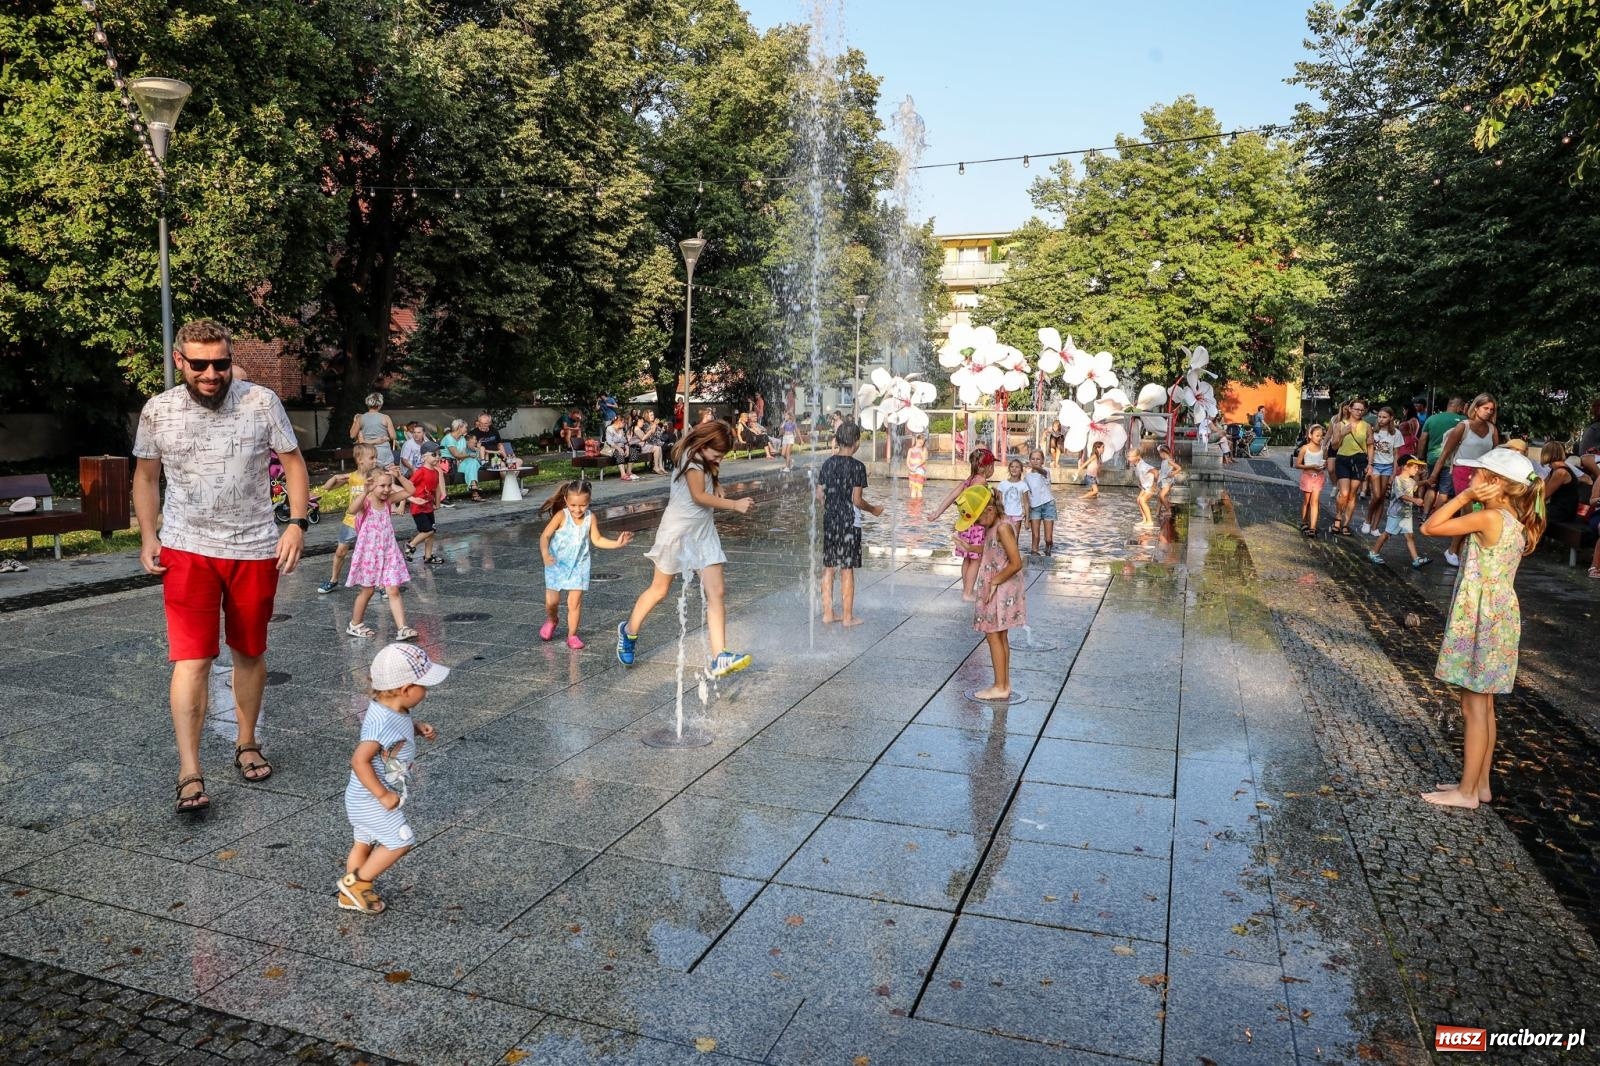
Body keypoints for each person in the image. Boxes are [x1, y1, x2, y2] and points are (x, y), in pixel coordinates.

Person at [132, 318, 308, 814]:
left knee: (250, 650)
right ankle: (189, 769)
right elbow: (145, 478)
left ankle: (246, 741)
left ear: (231, 359)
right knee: (192, 659)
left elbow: (293, 464)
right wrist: (149, 535)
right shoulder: (158, 411)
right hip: (186, 549)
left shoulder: (261, 402)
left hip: (253, 547)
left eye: (221, 363)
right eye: (200, 364)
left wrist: (296, 523)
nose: (211, 373)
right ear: (179, 361)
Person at [1420, 447, 1545, 809]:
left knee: (1473, 709)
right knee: (1484, 707)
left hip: (1483, 620)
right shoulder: (1509, 518)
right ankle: (1479, 784)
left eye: (1476, 475)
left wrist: (1464, 496)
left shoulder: (1490, 517)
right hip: (1498, 618)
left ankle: (1467, 793)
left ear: (1494, 483)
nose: (1469, 479)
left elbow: (1431, 526)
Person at [616, 420, 753, 679]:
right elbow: (698, 496)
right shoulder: (691, 460)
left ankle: (719, 656)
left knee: (717, 592)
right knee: (659, 590)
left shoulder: (705, 460)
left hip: (702, 534)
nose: (720, 459)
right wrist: (733, 505)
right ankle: (628, 631)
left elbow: (707, 487)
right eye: (717, 454)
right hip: (677, 533)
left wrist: (717, 482)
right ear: (704, 444)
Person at [338, 642, 448, 914]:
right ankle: (358, 883)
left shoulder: (393, 709)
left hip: (360, 796)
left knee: (363, 843)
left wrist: (416, 728)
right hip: (370, 798)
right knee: (401, 840)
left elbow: (396, 730)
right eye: (424, 686)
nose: (427, 692)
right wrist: (383, 795)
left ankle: (350, 894)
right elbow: (359, 759)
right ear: (405, 689)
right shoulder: (381, 722)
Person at [539, 479, 634, 648]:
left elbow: (597, 539)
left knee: (574, 603)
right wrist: (545, 554)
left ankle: (572, 635)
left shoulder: (590, 518)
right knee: (551, 602)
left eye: (582, 505)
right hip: (556, 564)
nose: (577, 510)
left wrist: (616, 543)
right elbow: (545, 536)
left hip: (579, 565)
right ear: (567, 501)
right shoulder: (562, 515)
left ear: (589, 501)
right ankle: (552, 620)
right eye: (573, 505)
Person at [956, 485, 1025, 701]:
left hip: (1001, 587)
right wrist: (969, 547)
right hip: (999, 584)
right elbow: (991, 549)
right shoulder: (994, 525)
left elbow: (1016, 563)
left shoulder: (1003, 527)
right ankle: (1004, 683)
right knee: (999, 635)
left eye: (977, 519)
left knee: (993, 634)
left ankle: (999, 686)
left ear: (989, 510)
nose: (976, 524)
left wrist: (994, 582)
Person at [816, 422, 883, 627]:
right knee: (847, 568)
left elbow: (819, 494)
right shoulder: (857, 467)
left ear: (837, 440)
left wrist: (830, 506)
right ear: (855, 443)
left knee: (828, 567)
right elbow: (856, 500)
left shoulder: (827, 464)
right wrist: (873, 509)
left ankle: (828, 613)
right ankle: (847, 617)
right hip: (849, 522)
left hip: (830, 519)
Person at [345, 467, 418, 641]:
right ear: (372, 485)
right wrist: (365, 492)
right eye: (382, 486)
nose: (386, 489)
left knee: (393, 588)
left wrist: (399, 476)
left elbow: (410, 490)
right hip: (369, 552)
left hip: (388, 550)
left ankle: (402, 628)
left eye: (389, 485)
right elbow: (351, 510)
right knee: (367, 590)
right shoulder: (367, 502)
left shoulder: (388, 501)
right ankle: (355, 624)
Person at [1430, 393, 1500, 566]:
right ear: (1476, 408)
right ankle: (1453, 549)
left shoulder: (1492, 429)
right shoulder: (1463, 426)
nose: (1488, 412)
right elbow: (1445, 452)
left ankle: (1466, 550)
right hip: (1462, 469)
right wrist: (1433, 475)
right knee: (1468, 510)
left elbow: (1496, 454)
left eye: (1491, 410)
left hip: (1483, 472)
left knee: (1481, 512)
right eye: (1485, 408)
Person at [930, 448, 996, 601]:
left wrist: (937, 513)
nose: (993, 469)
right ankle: (968, 592)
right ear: (985, 467)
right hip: (977, 526)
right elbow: (983, 507)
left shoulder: (968, 480)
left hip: (965, 525)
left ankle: (966, 589)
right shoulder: (982, 483)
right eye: (992, 466)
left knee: (967, 558)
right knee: (976, 559)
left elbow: (951, 496)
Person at [317, 444, 378, 594]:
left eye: (376, 457)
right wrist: (336, 477)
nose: (375, 461)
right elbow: (327, 487)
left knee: (373, 553)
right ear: (360, 459)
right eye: (372, 458)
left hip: (370, 522)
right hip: (351, 521)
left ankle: (380, 585)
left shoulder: (376, 477)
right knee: (340, 551)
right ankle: (333, 580)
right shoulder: (351, 477)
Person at [1368, 456, 1431, 568]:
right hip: (1396, 513)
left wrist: (1426, 482)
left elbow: (1415, 485)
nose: (1417, 470)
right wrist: (1415, 500)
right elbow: (1400, 495)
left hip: (1406, 513)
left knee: (1409, 536)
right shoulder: (1398, 480)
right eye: (1415, 467)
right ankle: (1373, 552)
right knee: (1387, 534)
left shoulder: (1411, 481)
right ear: (1405, 467)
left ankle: (1416, 559)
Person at [1328, 399, 1370, 536]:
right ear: (1350, 409)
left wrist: (1370, 464)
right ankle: (1338, 518)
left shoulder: (1367, 426)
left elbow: (1370, 445)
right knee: (1344, 493)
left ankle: (1346, 524)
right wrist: (1343, 433)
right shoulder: (1340, 425)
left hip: (1360, 460)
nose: (1359, 412)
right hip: (1343, 459)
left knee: (1352, 494)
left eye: (1361, 409)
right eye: (1356, 409)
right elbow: (1334, 446)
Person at [1418, 396, 1465, 512]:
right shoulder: (1463, 421)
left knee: (1431, 486)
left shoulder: (1432, 419)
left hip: (1432, 458)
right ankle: (1434, 518)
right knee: (1444, 491)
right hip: (1450, 460)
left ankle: (1424, 515)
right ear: (1459, 407)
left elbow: (1423, 439)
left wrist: (1420, 457)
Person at [1363, 407, 1406, 534]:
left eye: (1384, 417)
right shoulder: (1372, 431)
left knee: (1381, 498)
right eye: (1379, 417)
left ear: (1391, 418)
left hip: (1387, 466)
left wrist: (1394, 472)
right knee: (1376, 495)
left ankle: (1375, 527)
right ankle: (1367, 520)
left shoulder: (1396, 433)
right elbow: (1368, 448)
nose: (1381, 419)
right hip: (1375, 465)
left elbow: (1396, 454)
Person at [404, 450, 445, 565]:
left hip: (428, 506)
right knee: (427, 530)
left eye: (439, 455)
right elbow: (408, 486)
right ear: (424, 457)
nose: (437, 457)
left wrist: (437, 502)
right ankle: (410, 545)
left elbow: (437, 488)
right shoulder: (420, 472)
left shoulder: (436, 472)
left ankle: (428, 556)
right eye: (434, 455)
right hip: (418, 507)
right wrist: (403, 503)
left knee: (431, 532)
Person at [1294, 424, 1328, 537]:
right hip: (1307, 477)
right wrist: (1311, 467)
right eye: (1317, 435)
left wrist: (1324, 466)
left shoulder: (1323, 449)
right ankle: (1304, 522)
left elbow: (1325, 462)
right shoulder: (1305, 448)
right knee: (1307, 501)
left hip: (1319, 477)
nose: (1320, 438)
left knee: (1315, 502)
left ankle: (1313, 527)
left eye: (1321, 436)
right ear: (1310, 435)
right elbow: (1297, 465)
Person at [351, 393, 398, 468]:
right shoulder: (385, 418)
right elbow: (393, 436)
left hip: (368, 451)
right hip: (384, 450)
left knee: (372, 476)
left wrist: (355, 421)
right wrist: (386, 437)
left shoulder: (361, 418)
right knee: (389, 475)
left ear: (367, 404)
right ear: (380, 405)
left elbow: (352, 435)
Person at [439, 419, 481, 502]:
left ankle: (473, 485)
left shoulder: (462, 439)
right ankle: (474, 492)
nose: (466, 429)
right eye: (465, 427)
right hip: (448, 464)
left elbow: (463, 453)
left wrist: (477, 450)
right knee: (471, 463)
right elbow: (456, 455)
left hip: (458, 463)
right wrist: (468, 455)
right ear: (459, 427)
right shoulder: (449, 438)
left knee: (473, 462)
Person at [1024, 449, 1056, 556]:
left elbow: (1042, 471)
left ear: (1042, 461)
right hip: (1035, 507)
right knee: (1035, 535)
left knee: (1048, 538)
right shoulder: (1027, 477)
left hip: (1048, 505)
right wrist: (1026, 517)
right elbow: (1027, 497)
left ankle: (1048, 547)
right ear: (1029, 460)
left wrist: (1033, 466)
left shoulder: (1045, 471)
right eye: (1032, 459)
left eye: (1038, 459)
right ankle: (1034, 552)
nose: (1035, 461)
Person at [1129, 444, 1158, 528]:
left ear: (1138, 457)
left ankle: (1149, 521)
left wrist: (1154, 485)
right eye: (1128, 456)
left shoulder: (1143, 465)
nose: (1129, 458)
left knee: (1142, 500)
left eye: (1131, 457)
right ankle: (1144, 520)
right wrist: (1140, 483)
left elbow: (1156, 472)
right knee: (1138, 500)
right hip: (1145, 486)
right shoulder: (1138, 465)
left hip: (1150, 486)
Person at [998, 458, 1029, 530]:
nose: (1014, 469)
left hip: (1017, 516)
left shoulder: (1023, 485)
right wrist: (999, 515)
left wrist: (1027, 519)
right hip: (1004, 515)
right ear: (1009, 469)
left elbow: (1026, 503)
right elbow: (998, 502)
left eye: (1017, 467)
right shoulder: (1002, 484)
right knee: (1003, 538)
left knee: (1015, 538)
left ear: (1021, 470)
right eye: (1012, 467)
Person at [603, 414, 636, 481]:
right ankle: (623, 474)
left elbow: (625, 441)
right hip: (611, 448)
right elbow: (610, 442)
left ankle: (629, 472)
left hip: (621, 447)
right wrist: (619, 448)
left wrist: (627, 449)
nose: (624, 424)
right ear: (618, 421)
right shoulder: (609, 429)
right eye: (624, 422)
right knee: (619, 453)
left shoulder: (621, 430)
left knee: (633, 452)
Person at [1156, 443, 1181, 511]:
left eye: (1160, 454)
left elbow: (1179, 468)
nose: (1159, 455)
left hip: (1167, 481)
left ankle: (1168, 510)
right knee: (1160, 497)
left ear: (1163, 453)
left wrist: (1173, 473)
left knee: (1162, 495)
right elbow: (1163, 470)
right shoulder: (1164, 461)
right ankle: (1157, 512)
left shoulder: (1169, 461)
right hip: (1163, 480)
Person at [906, 432, 928, 500]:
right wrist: (910, 467)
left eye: (922, 440)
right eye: (920, 439)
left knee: (919, 489)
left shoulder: (923, 449)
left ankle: (919, 505)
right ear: (916, 440)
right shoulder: (911, 449)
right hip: (912, 470)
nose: (921, 441)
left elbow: (924, 460)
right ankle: (913, 506)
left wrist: (916, 466)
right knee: (913, 489)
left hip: (920, 470)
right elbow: (907, 460)